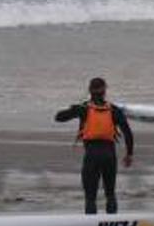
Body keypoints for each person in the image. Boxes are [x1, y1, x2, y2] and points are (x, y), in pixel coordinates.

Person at [53, 77, 134, 215]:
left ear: (90, 90)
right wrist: (129, 154)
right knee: (110, 194)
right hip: (109, 156)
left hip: (92, 156)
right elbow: (128, 133)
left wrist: (74, 108)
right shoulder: (114, 110)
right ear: (105, 91)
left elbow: (58, 117)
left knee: (90, 197)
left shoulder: (83, 108)